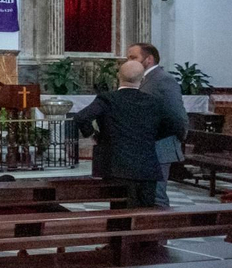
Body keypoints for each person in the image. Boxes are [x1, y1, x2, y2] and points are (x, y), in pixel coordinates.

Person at [74, 60, 179, 209]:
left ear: (118, 76)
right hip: (147, 167)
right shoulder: (154, 101)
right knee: (145, 214)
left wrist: (95, 135)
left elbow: (81, 117)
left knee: (120, 213)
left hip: (117, 167)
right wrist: (150, 137)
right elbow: (173, 125)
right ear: (142, 79)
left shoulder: (108, 99)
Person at [127, 42, 189, 206]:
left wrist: (180, 136)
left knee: (157, 196)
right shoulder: (144, 79)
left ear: (149, 59)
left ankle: (162, 229)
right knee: (142, 196)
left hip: (161, 145)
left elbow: (176, 114)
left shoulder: (163, 79)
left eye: (133, 57)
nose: (129, 61)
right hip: (145, 146)